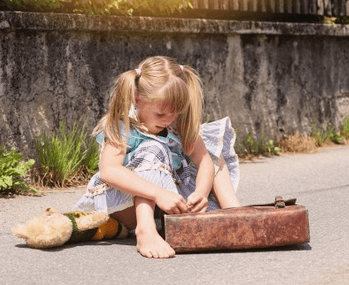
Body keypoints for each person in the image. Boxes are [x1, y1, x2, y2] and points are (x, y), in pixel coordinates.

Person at [73, 56, 241, 259]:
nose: (169, 120)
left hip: (168, 204)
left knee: (214, 152)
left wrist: (201, 193)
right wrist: (158, 193)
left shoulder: (177, 124)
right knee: (153, 147)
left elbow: (204, 160)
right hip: (125, 204)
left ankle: (234, 214)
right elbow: (109, 170)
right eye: (161, 114)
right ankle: (146, 231)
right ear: (137, 99)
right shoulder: (125, 126)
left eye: (176, 113)